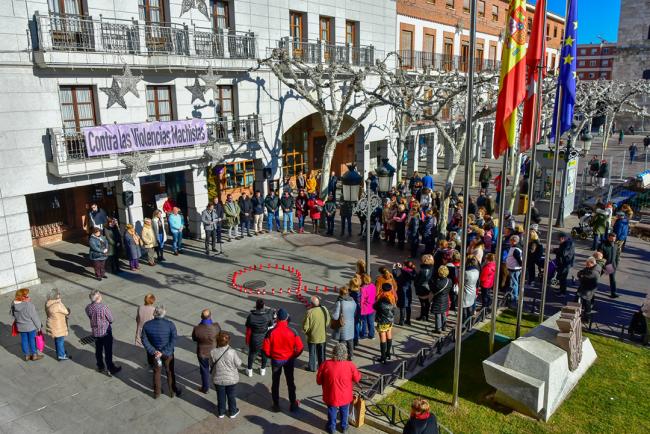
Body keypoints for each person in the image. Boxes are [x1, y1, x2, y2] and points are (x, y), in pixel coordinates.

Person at [263, 308, 304, 413]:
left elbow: (266, 350)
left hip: (276, 360)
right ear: (286, 318)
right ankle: (293, 403)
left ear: (277, 319)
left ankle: (276, 405)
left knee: (275, 382)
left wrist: (272, 356)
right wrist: (294, 355)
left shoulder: (271, 332)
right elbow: (300, 347)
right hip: (289, 360)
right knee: (290, 382)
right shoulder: (292, 331)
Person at [316, 343, 362, 434]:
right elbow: (357, 378)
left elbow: (318, 381)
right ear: (345, 354)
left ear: (333, 353)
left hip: (331, 395)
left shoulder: (325, 364)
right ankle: (344, 427)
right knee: (345, 411)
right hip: (345, 395)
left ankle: (331, 427)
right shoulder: (350, 365)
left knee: (332, 412)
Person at [141, 305, 181, 399]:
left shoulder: (147, 325)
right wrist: (163, 352)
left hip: (155, 355)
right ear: (164, 314)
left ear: (154, 313)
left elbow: (144, 339)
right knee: (170, 372)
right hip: (168, 354)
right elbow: (173, 339)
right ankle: (172, 391)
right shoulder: (170, 324)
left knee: (157, 372)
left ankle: (157, 392)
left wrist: (154, 351)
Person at [85, 290, 121, 376]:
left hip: (96, 332)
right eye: (100, 295)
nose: (101, 296)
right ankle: (110, 368)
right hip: (105, 332)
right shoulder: (104, 307)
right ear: (98, 298)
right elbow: (111, 319)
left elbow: (89, 315)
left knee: (98, 349)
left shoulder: (88, 307)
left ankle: (100, 366)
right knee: (108, 351)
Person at [210, 332, 241, 418]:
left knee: (220, 396)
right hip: (231, 379)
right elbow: (238, 363)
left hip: (218, 379)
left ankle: (221, 412)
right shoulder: (232, 352)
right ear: (227, 342)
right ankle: (232, 412)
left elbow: (211, 364)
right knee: (231, 396)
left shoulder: (213, 352)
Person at [192, 309, 221, 394]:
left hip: (202, 353)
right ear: (210, 316)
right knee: (216, 369)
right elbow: (219, 336)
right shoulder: (216, 326)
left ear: (201, 317)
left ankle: (205, 388)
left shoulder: (197, 329)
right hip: (214, 352)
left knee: (204, 370)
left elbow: (194, 338)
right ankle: (218, 385)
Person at [10, 288, 44, 361]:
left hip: (21, 327)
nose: (29, 297)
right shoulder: (29, 305)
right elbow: (34, 317)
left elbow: (13, 315)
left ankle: (26, 356)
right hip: (30, 327)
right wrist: (39, 327)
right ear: (23, 297)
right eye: (27, 296)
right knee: (32, 340)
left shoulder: (13, 304)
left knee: (24, 340)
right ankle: (34, 355)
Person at [245, 299, 273, 377]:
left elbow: (248, 326)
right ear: (263, 306)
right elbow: (271, 326)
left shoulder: (251, 316)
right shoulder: (268, 315)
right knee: (264, 354)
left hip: (254, 338)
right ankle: (262, 370)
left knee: (252, 353)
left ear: (256, 306)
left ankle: (249, 370)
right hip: (265, 338)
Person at [302, 296, 331, 372]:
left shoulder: (309, 312)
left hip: (312, 337)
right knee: (322, 353)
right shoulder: (324, 309)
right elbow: (327, 321)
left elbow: (305, 327)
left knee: (312, 353)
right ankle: (322, 366)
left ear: (311, 304)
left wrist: (306, 332)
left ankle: (312, 367)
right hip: (322, 336)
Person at [332, 286, 357, 360]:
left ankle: (341, 357)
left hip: (342, 325)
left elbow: (335, 317)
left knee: (342, 341)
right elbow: (354, 312)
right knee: (350, 340)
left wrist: (331, 314)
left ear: (340, 293)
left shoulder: (340, 302)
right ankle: (351, 355)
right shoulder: (352, 301)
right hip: (351, 323)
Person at [45, 288, 70, 361]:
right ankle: (61, 355)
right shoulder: (58, 305)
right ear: (56, 296)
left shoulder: (47, 303)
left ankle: (59, 353)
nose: (60, 294)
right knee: (60, 341)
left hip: (52, 325)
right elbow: (66, 312)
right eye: (58, 294)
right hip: (59, 326)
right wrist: (60, 302)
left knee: (57, 340)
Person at [375, 283, 396, 364]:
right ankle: (388, 353)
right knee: (389, 334)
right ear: (390, 289)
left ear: (382, 288)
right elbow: (394, 307)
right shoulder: (392, 297)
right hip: (390, 320)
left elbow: (375, 306)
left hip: (382, 320)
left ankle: (383, 357)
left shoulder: (381, 297)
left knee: (382, 336)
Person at [135, 293, 156, 366]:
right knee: (152, 346)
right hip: (150, 330)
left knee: (147, 346)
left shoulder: (140, 307)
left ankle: (150, 362)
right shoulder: (153, 309)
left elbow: (137, 319)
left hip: (142, 330)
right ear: (152, 301)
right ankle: (153, 361)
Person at [394, 261, 416, 325]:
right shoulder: (412, 271)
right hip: (408, 290)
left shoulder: (405, 273)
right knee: (408, 306)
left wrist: (395, 269)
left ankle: (401, 321)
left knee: (402, 306)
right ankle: (408, 320)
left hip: (402, 291)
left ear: (405, 266)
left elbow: (396, 279)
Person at [599, 232, 620, 298]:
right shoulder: (603, 245)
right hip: (604, 265)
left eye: (614, 239)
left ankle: (613, 293)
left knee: (612, 279)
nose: (613, 241)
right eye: (612, 239)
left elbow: (617, 256)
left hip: (612, 265)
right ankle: (589, 287)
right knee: (596, 276)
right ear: (608, 238)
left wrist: (616, 264)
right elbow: (599, 256)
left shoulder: (616, 245)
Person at [415, 255, 434, 321]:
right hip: (429, 288)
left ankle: (422, 315)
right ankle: (426, 316)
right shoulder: (433, 269)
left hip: (421, 289)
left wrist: (416, 287)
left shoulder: (421, 270)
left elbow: (416, 280)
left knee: (422, 303)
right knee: (427, 303)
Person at [505, 235, 523, 305]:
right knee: (513, 283)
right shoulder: (514, 247)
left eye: (511, 240)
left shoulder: (516, 249)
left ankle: (514, 298)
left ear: (514, 241)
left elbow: (519, 260)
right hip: (512, 268)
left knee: (514, 284)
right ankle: (512, 296)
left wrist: (521, 266)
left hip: (514, 269)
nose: (510, 242)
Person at [462, 256, 480, 323]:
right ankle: (469, 323)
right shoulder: (476, 271)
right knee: (470, 308)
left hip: (465, 291)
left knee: (464, 310)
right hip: (473, 291)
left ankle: (464, 324)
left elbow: (461, 282)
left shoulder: (466, 272)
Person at [359, 273, 377, 339]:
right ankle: (371, 335)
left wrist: (360, 307)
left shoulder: (363, 288)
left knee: (364, 322)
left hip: (365, 307)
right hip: (372, 307)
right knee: (371, 321)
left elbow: (362, 299)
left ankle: (363, 334)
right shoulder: (373, 286)